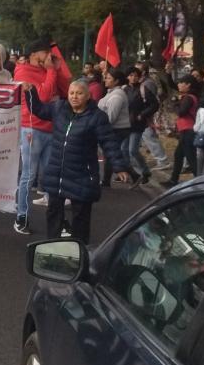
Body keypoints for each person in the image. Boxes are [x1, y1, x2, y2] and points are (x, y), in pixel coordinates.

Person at [21, 79, 129, 243]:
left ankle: (79, 250)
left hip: (82, 175)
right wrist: (30, 92)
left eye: (79, 93)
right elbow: (39, 109)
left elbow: (109, 142)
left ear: (88, 96)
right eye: (72, 93)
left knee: (81, 217)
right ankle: (52, 246)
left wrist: (119, 166)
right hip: (57, 173)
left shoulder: (97, 117)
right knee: (53, 213)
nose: (74, 97)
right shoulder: (59, 108)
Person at [12, 38, 72, 234]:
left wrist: (56, 68)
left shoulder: (47, 71)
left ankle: (58, 222)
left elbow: (64, 90)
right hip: (32, 127)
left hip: (50, 127)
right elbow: (45, 97)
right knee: (29, 175)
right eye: (44, 52)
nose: (48, 56)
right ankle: (22, 216)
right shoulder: (23, 71)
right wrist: (51, 72)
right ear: (33, 54)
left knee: (51, 176)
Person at [98, 69, 134, 187]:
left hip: (117, 129)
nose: (105, 80)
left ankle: (135, 175)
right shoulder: (111, 92)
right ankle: (107, 181)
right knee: (110, 154)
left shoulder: (117, 96)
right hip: (114, 129)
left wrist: (100, 126)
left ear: (116, 81)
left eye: (108, 78)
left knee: (111, 154)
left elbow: (111, 117)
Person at [166, 75, 199, 188]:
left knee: (191, 158)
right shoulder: (189, 97)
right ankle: (173, 180)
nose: (179, 85)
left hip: (188, 131)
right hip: (186, 130)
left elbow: (181, 112)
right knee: (178, 155)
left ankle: (200, 182)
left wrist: (175, 103)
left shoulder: (189, 98)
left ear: (188, 85)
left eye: (181, 83)